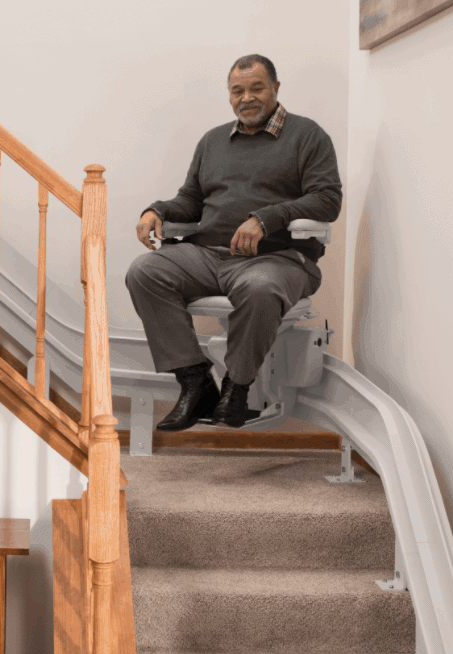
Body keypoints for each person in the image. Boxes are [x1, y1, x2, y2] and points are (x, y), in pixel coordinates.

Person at [126, 54, 342, 429]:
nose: (247, 97)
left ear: (276, 88)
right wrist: (157, 212)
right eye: (237, 90)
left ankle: (236, 390)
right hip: (209, 255)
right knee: (144, 271)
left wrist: (266, 218)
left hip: (279, 258)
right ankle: (195, 383)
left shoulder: (308, 136)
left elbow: (327, 199)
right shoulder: (212, 141)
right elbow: (190, 201)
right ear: (229, 95)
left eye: (257, 88)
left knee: (260, 287)